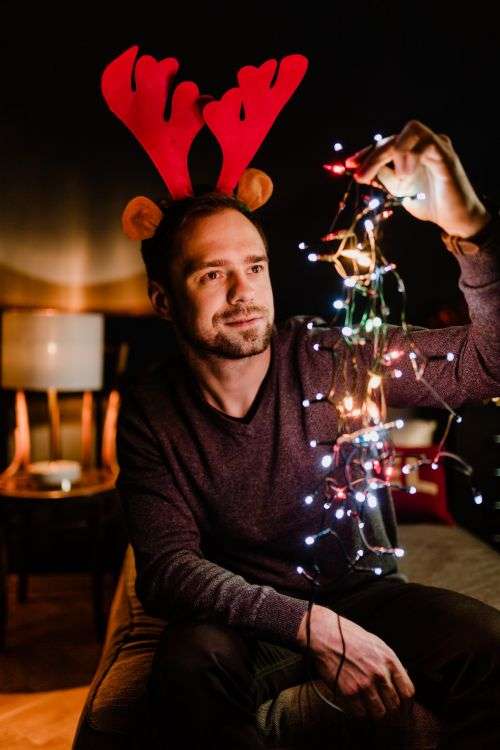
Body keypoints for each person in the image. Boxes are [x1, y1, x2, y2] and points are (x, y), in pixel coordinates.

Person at [116, 120, 500, 749]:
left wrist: (472, 231)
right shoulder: (151, 411)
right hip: (235, 619)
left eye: (255, 266)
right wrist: (312, 628)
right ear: (163, 299)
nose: (244, 293)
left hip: (362, 593)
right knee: (185, 676)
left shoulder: (331, 358)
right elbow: (166, 568)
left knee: (491, 650)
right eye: (212, 275)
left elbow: (488, 363)